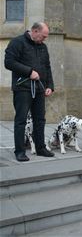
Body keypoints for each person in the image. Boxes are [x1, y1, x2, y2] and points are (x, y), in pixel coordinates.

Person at [4, 22, 55, 161]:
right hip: (23, 88)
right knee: (21, 120)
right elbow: (8, 62)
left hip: (39, 88)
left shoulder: (43, 47)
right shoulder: (17, 42)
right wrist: (29, 72)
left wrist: (49, 85)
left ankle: (40, 148)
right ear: (34, 31)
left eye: (46, 37)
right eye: (43, 36)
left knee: (40, 120)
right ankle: (19, 151)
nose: (44, 39)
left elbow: (47, 67)